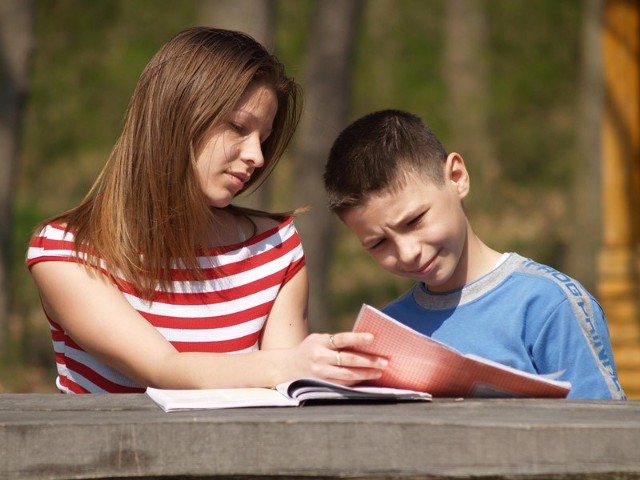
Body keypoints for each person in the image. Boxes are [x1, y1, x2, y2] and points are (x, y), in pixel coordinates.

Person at [26, 27, 388, 394]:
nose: (256, 157)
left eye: (263, 139)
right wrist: (293, 362)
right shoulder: (67, 251)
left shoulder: (276, 247)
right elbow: (161, 369)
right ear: (176, 116)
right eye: (237, 127)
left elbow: (286, 393)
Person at [323, 109, 626, 399]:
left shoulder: (549, 304)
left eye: (415, 221)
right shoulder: (388, 332)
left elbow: (604, 435)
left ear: (456, 177)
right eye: (378, 243)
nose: (408, 252)